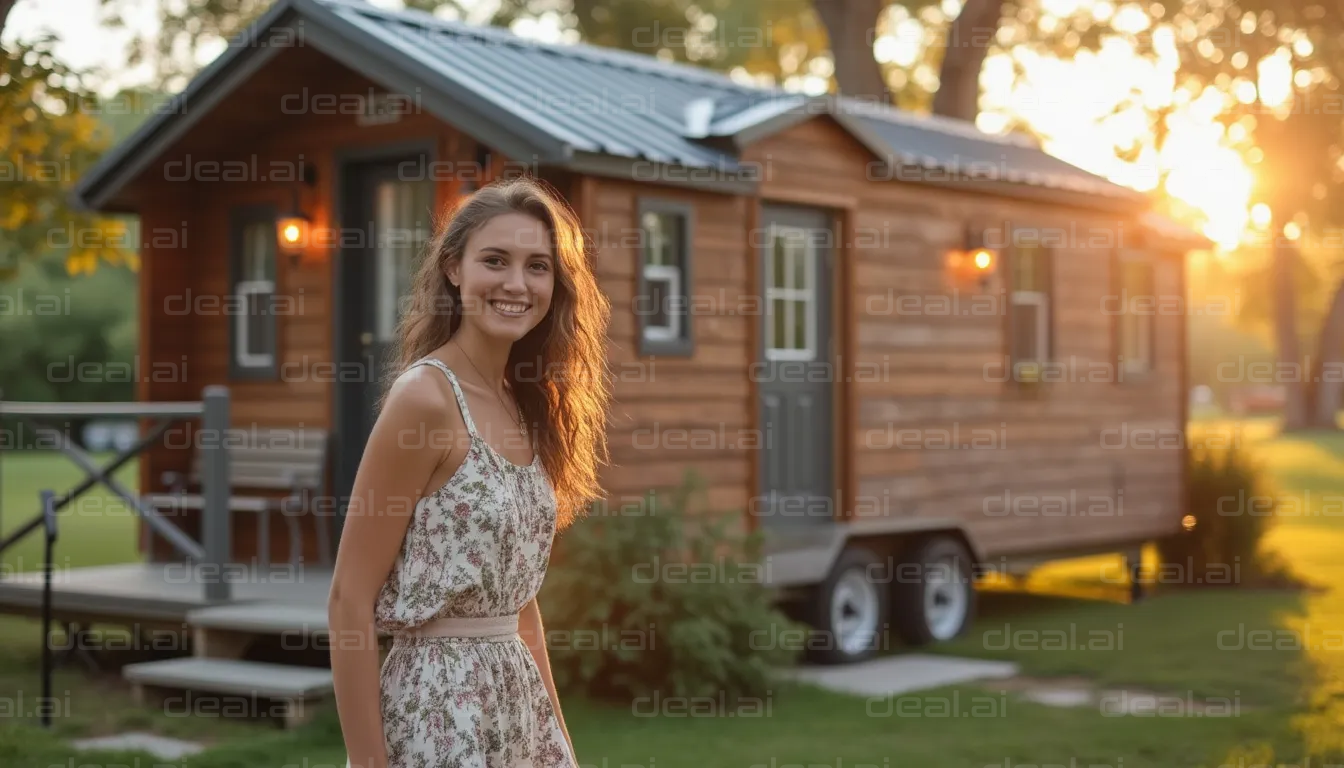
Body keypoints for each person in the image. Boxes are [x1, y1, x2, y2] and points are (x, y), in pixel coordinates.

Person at [328, 177, 611, 768]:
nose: (516, 283)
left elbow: (520, 603)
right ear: (454, 269)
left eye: (537, 265)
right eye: (495, 261)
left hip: (516, 705)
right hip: (438, 709)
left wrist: (558, 744)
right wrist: (367, 763)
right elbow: (349, 598)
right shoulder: (426, 399)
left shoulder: (528, 403)